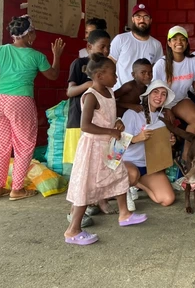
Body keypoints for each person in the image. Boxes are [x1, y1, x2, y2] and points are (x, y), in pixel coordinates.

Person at [64, 54, 147, 246]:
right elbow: (85, 126)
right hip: (93, 148)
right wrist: (111, 130)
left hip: (109, 145)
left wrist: (116, 123)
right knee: (86, 187)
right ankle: (73, 230)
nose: (117, 77)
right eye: (113, 74)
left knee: (119, 175)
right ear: (100, 75)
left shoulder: (109, 92)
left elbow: (109, 116)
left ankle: (124, 214)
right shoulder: (91, 95)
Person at [0, 15, 65, 201]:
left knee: (1, 145)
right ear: (29, 35)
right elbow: (53, 75)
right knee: (24, 145)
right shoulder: (36, 56)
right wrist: (56, 56)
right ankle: (16, 189)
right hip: (20, 101)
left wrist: (0, 75)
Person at [64, 29, 111, 226]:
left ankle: (99, 200)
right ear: (89, 47)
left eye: (108, 47)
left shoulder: (108, 66)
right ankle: (75, 211)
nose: (106, 51)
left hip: (100, 126)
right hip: (79, 123)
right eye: (102, 47)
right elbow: (70, 91)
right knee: (81, 169)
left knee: (100, 166)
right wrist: (91, 84)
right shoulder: (79, 64)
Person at [152, 26, 195, 162]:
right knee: (167, 130)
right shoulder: (161, 64)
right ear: (169, 43)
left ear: (187, 43)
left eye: (183, 39)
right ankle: (164, 162)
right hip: (162, 102)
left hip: (180, 100)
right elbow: (154, 92)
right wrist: (164, 108)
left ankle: (186, 155)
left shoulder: (193, 61)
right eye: (175, 39)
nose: (179, 42)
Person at [122, 80, 177, 211]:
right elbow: (118, 144)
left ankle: (137, 184)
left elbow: (161, 150)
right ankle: (128, 187)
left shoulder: (161, 118)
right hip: (128, 163)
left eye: (163, 94)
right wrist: (137, 138)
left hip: (149, 167)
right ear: (148, 94)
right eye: (155, 92)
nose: (159, 96)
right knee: (133, 173)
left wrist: (170, 143)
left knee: (167, 199)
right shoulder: (132, 114)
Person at [109, 4, 163, 89]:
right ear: (132, 19)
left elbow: (157, 70)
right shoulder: (120, 39)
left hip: (144, 94)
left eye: (146, 17)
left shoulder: (156, 44)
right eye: (138, 16)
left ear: (150, 20)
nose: (142, 20)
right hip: (119, 92)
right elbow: (110, 63)